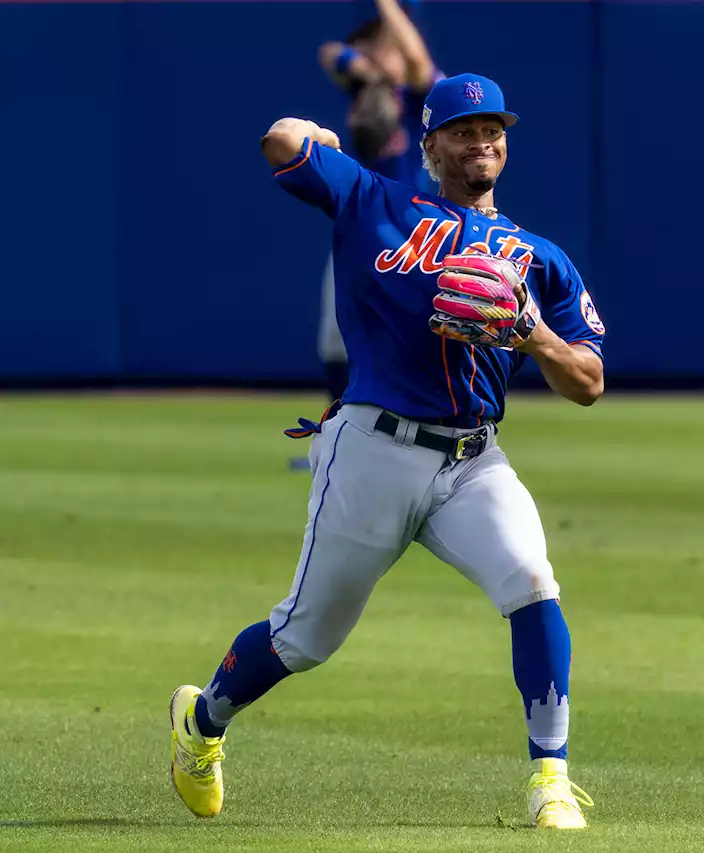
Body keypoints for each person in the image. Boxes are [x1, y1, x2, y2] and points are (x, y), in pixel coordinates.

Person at [168, 73, 606, 830]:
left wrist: (532, 332)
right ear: (431, 144)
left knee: (533, 581)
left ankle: (551, 779)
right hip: (373, 449)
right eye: (465, 130)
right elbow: (279, 142)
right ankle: (202, 724)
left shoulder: (541, 259)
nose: (483, 142)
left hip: (472, 460)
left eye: (493, 128)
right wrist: (324, 141)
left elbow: (589, 381)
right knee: (304, 636)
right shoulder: (377, 201)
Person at [316, 0, 443, 401]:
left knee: (419, 335)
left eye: (382, 47)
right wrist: (364, 64)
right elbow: (330, 53)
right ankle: (334, 434)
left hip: (417, 235)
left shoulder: (422, 100)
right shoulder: (369, 90)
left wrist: (387, 6)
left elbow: (418, 61)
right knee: (336, 339)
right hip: (362, 226)